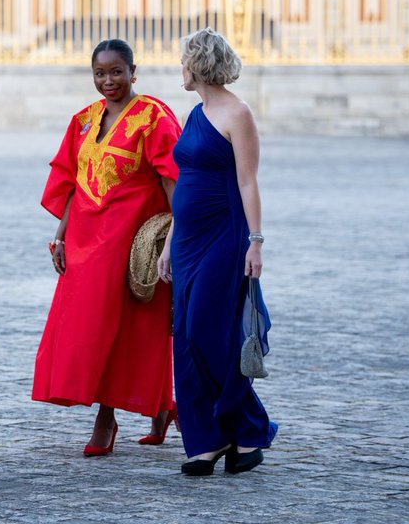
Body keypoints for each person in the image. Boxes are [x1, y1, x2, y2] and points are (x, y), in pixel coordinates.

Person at [33, 39, 182, 456]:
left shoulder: (153, 118)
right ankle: (162, 408)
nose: (108, 80)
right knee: (91, 329)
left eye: (117, 71)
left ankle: (112, 416)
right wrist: (60, 237)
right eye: (100, 73)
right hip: (85, 241)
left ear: (134, 72)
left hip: (133, 243)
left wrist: (176, 239)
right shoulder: (83, 119)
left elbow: (173, 180)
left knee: (138, 328)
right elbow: (70, 184)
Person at [158, 27, 277, 476]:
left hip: (225, 238)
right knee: (186, 336)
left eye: (183, 61)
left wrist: (256, 242)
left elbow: (248, 181)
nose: (180, 70)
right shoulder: (195, 113)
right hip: (187, 242)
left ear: (199, 64)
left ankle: (246, 429)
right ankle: (209, 438)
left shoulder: (237, 113)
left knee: (212, 333)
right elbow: (184, 182)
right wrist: (169, 243)